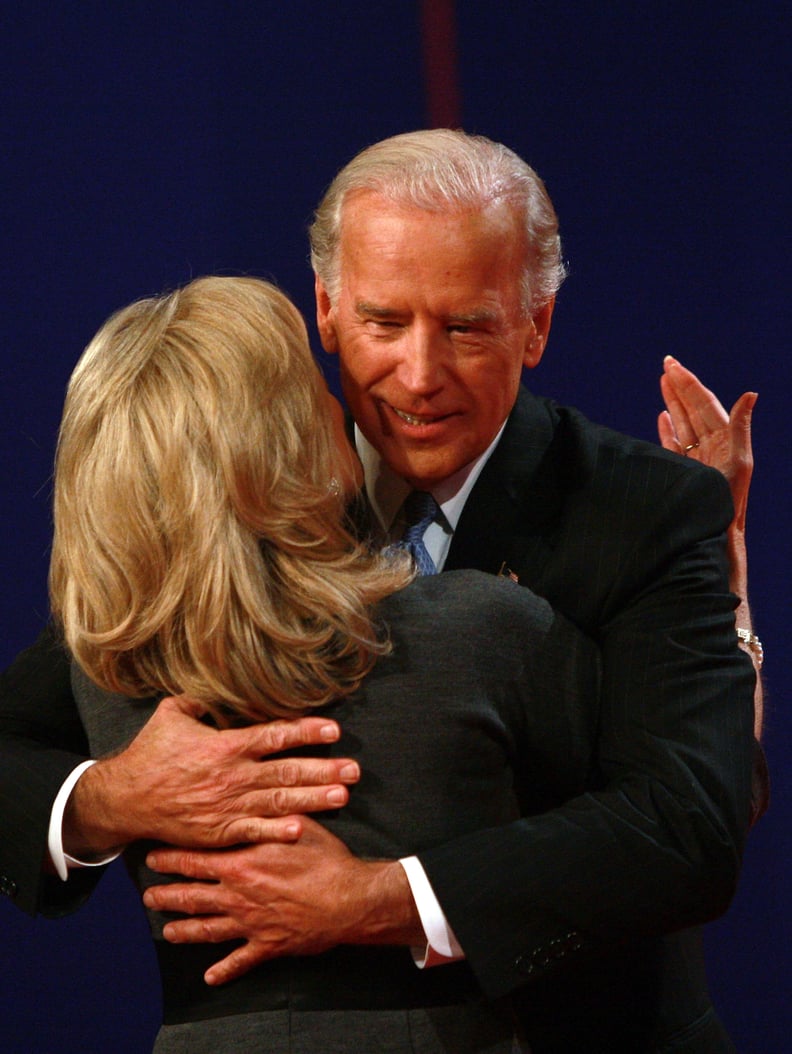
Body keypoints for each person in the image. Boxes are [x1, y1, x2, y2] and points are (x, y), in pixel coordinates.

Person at [0, 131, 761, 1051]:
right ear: (324, 310)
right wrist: (111, 799)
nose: (420, 374)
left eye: (467, 326)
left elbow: (689, 821)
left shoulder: (645, 509)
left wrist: (378, 898)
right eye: (384, 322)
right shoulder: (232, 516)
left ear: (536, 323)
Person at [27, 273, 603, 1052]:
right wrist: (722, 603)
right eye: (307, 380)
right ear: (279, 449)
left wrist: (106, 797)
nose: (339, 403)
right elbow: (683, 817)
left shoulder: (105, 671)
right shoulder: (482, 631)